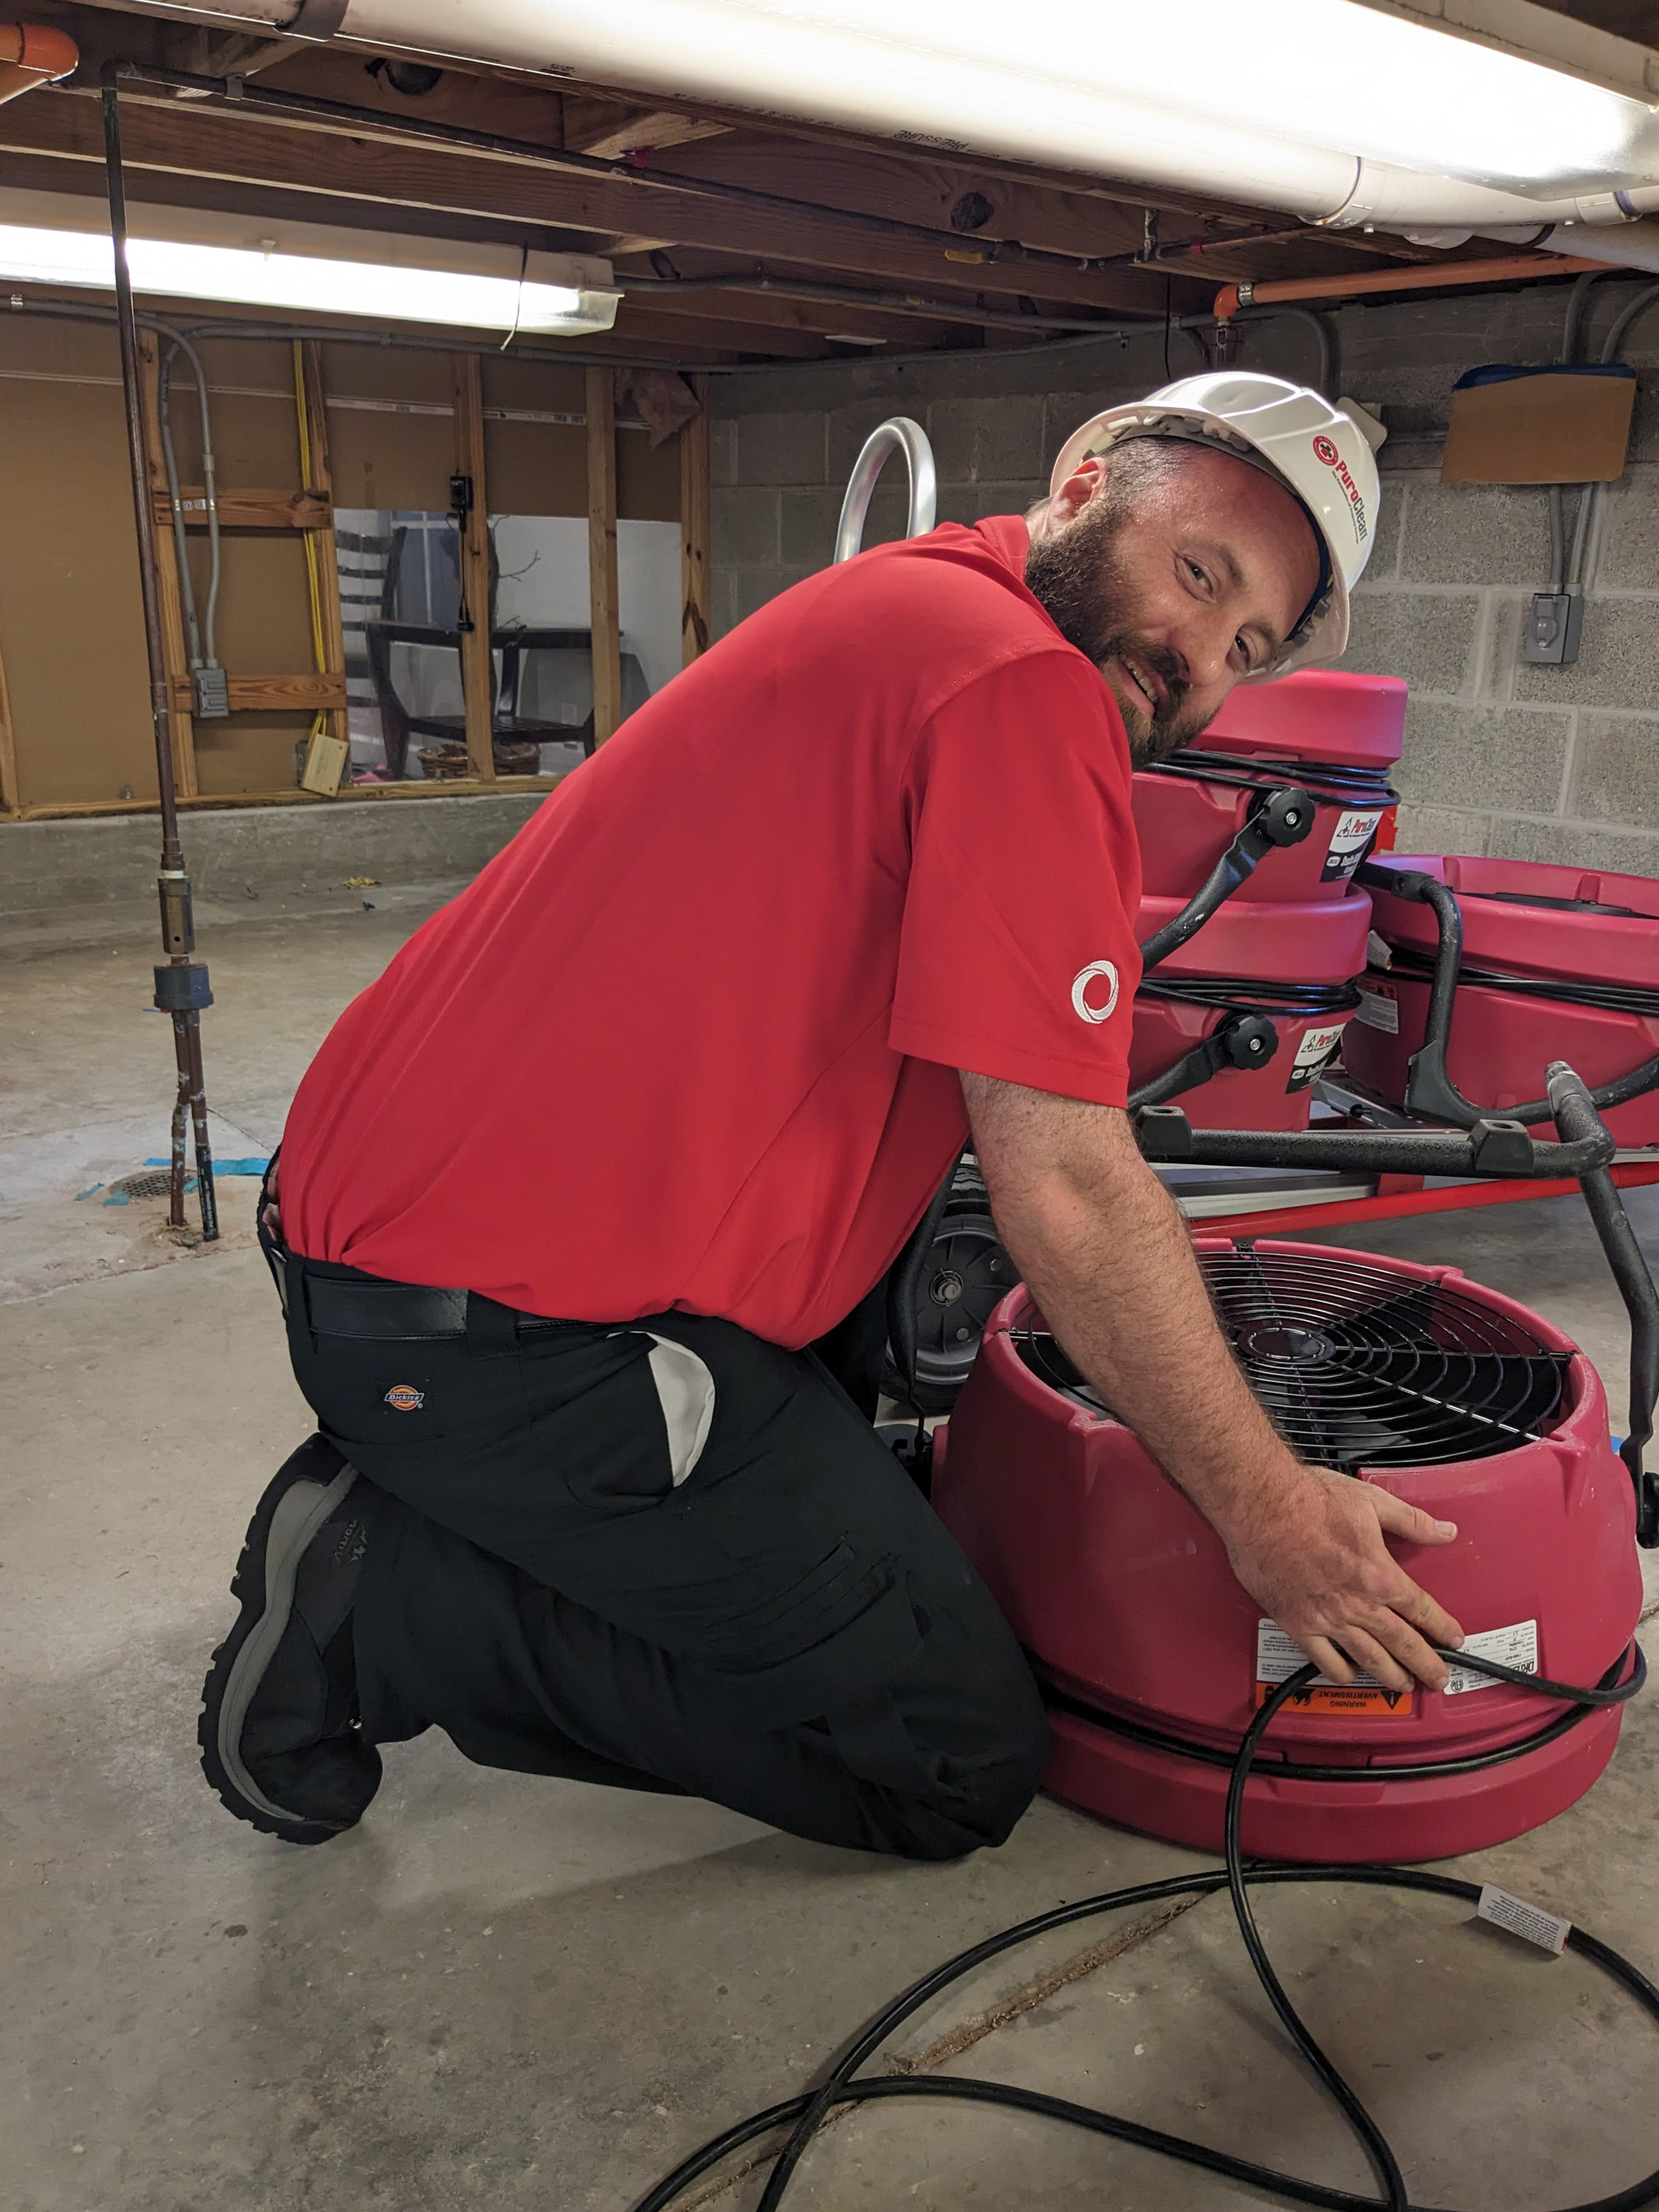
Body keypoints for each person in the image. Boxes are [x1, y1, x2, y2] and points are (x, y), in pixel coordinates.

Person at [200, 371, 1464, 1862]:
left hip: (416, 1248)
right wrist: (1270, 1514)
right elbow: (1064, 1181)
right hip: (508, 1335)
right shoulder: (1024, 683)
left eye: (1245, 645)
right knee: (948, 1759)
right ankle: (384, 1605)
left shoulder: (916, 603)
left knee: (877, 1406)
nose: (1198, 652)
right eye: (1198, 573)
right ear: (1082, 486)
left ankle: (472, 1509)